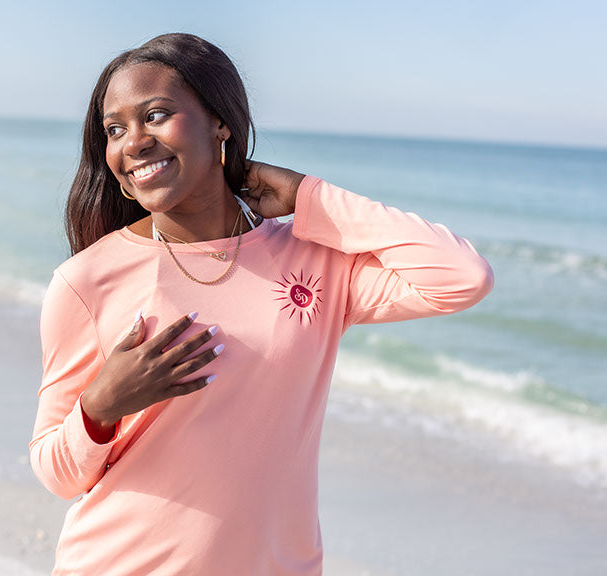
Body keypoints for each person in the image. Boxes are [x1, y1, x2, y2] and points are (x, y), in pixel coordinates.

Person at [29, 33, 494, 575]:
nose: (133, 142)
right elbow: (57, 473)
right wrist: (101, 405)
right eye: (115, 129)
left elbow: (461, 278)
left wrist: (308, 196)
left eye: (156, 115)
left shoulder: (313, 260)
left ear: (219, 122)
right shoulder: (87, 281)